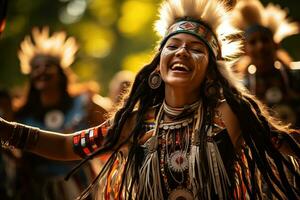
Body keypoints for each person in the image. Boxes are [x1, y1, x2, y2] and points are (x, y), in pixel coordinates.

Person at [0, 0, 299, 199]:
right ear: (158, 64)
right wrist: (7, 131)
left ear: (211, 72)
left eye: (196, 48)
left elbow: (286, 143)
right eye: (174, 46)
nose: (182, 52)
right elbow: (69, 146)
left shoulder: (230, 115)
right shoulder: (135, 120)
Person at [13, 27, 108, 200]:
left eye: (48, 66)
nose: (41, 71)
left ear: (61, 73)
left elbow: (112, 135)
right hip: (38, 191)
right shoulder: (20, 114)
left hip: (84, 188)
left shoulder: (85, 103)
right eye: (36, 68)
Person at [231, 0, 300, 128]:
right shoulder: (242, 89)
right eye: (253, 42)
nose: (260, 46)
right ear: (245, 50)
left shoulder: (295, 79)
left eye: (264, 40)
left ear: (275, 45)